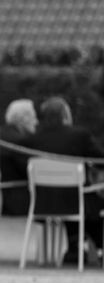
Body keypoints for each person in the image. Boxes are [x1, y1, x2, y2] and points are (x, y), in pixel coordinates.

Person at [20, 96, 104, 264]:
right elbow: (100, 160)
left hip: (42, 201)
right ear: (66, 114)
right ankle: (96, 247)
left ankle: (76, 247)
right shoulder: (79, 135)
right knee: (92, 202)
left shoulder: (34, 139)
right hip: (77, 200)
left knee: (76, 198)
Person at [0, 99, 38, 216]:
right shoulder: (20, 140)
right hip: (16, 200)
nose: (36, 122)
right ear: (24, 118)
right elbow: (30, 171)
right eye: (33, 117)